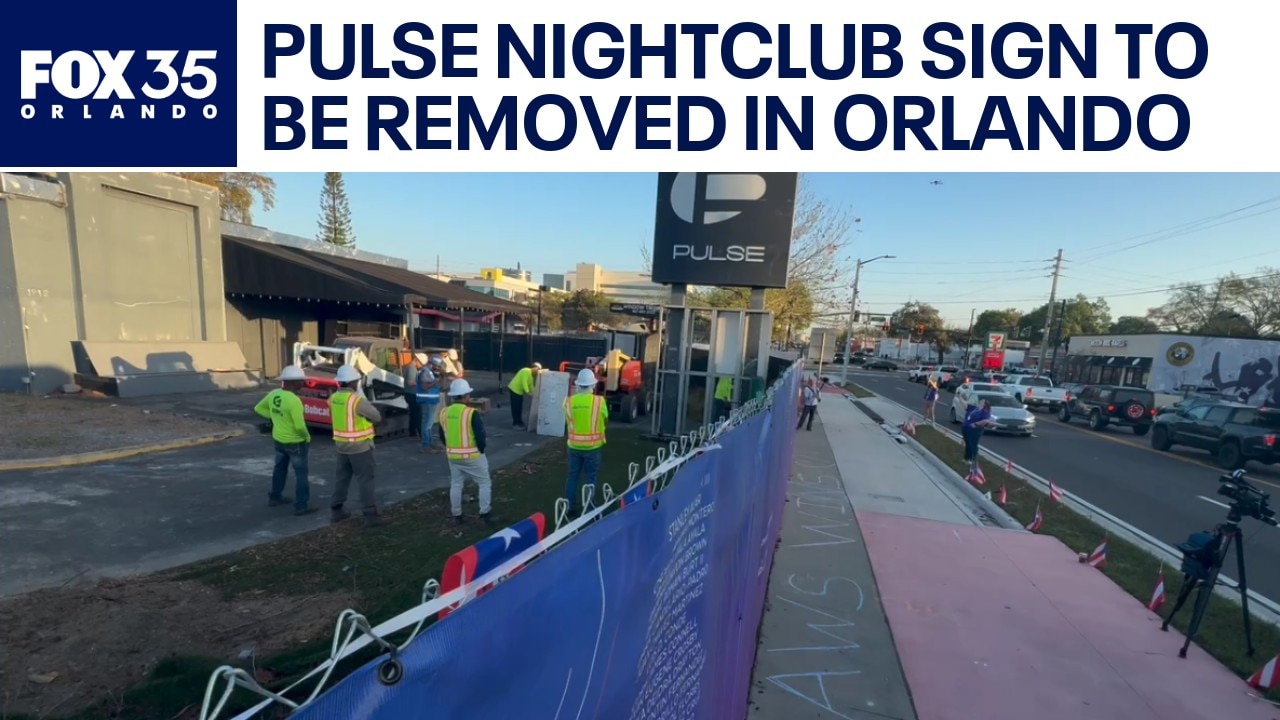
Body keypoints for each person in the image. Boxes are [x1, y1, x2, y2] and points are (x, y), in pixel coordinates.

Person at [253, 365, 314, 516]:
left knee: (279, 469)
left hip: (279, 440)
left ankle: (275, 496)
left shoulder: (274, 394)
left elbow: (258, 408)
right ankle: (301, 505)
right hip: (296, 443)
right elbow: (300, 426)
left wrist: (274, 418)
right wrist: (307, 437)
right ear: (294, 382)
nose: (303, 383)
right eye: (301, 381)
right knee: (301, 474)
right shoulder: (294, 401)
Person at [328, 364, 384, 526]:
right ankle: (370, 515)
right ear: (353, 382)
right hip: (360, 447)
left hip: (341, 445)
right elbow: (377, 416)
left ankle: (336, 509)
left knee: (342, 478)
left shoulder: (334, 398)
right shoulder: (356, 401)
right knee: (365, 479)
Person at [438, 378, 494, 525]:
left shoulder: (444, 412)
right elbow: (480, 436)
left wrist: (450, 448)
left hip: (453, 456)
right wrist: (481, 450)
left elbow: (442, 435)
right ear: (465, 396)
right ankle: (485, 513)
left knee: (456, 483)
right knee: (484, 482)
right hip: (473, 455)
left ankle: (457, 514)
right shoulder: (471, 413)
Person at [564, 368, 608, 513]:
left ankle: (568, 507)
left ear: (577, 385)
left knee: (572, 476)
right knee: (591, 478)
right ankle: (590, 507)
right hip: (593, 447)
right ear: (593, 385)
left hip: (573, 446)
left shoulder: (568, 402)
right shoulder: (599, 402)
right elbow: (605, 418)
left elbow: (568, 421)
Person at [416, 354, 445, 454]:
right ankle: (425, 445)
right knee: (426, 424)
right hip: (427, 401)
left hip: (431, 401)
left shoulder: (430, 372)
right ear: (433, 364)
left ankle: (430, 442)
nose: (438, 368)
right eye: (437, 366)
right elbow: (424, 387)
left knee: (429, 423)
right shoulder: (425, 372)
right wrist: (435, 382)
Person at [961, 399, 995, 473]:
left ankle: (971, 458)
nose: (980, 402)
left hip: (975, 430)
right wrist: (959, 397)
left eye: (982, 401)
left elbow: (985, 421)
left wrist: (975, 424)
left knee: (972, 444)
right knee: (967, 443)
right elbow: (966, 406)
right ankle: (966, 458)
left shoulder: (985, 412)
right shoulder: (975, 408)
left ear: (985, 404)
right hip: (966, 428)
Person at [507, 361, 542, 428]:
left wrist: (536, 393)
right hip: (514, 390)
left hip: (519, 392)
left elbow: (531, 386)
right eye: (538, 370)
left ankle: (519, 421)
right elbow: (524, 383)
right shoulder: (525, 371)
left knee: (519, 407)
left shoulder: (531, 376)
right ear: (534, 368)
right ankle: (515, 423)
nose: (537, 372)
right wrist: (528, 392)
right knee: (515, 407)